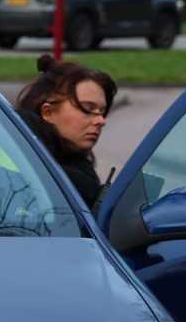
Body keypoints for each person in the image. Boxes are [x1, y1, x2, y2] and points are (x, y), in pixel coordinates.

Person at [12, 57, 117, 209]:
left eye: (101, 111)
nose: (101, 121)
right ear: (48, 112)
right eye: (87, 108)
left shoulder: (80, 168)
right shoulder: (23, 165)